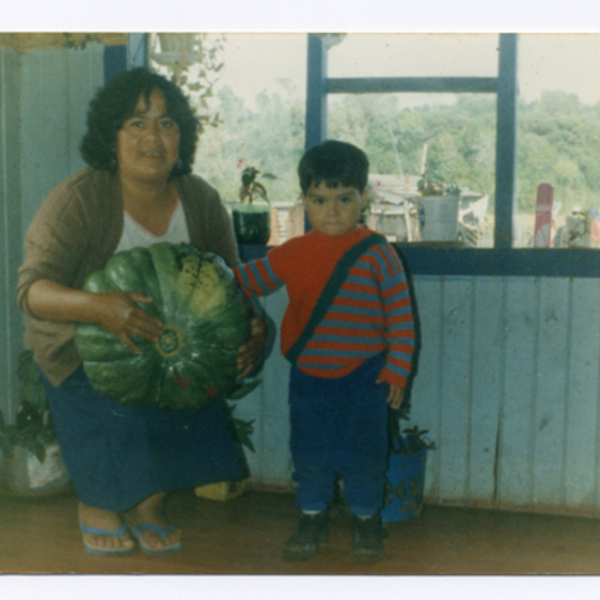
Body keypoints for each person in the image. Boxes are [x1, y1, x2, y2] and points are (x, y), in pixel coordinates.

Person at [16, 68, 267, 557]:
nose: (153, 136)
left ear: (182, 138)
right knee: (116, 412)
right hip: (81, 347)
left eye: (167, 124)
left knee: (192, 399)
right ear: (110, 136)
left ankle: (148, 506)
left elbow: (231, 283)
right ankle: (99, 505)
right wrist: (98, 308)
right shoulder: (79, 200)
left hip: (171, 351)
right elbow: (31, 290)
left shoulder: (200, 200)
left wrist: (256, 326)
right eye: (136, 123)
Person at [233, 140, 415, 562]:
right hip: (309, 378)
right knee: (309, 453)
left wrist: (396, 372)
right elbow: (242, 282)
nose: (332, 210)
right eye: (320, 199)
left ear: (364, 199)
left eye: (344, 199)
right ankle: (311, 517)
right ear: (303, 202)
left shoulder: (380, 255)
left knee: (364, 454)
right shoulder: (291, 252)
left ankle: (367, 523)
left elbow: (402, 321)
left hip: (366, 377)